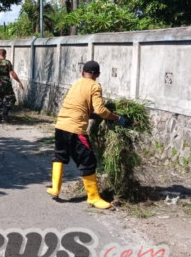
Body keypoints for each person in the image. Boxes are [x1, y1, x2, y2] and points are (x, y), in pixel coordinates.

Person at [48, 60, 130, 209]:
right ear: (97, 75)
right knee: (88, 160)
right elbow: (100, 110)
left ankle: (55, 188)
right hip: (75, 129)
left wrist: (93, 115)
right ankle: (93, 197)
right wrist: (117, 118)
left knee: (60, 155)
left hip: (60, 126)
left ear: (82, 73)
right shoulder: (94, 86)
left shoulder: (76, 84)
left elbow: (82, 109)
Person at [0, 49, 23, 123]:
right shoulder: (7, 62)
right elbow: (12, 73)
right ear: (5, 55)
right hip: (6, 84)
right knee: (12, 98)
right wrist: (19, 81)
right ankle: (5, 112)